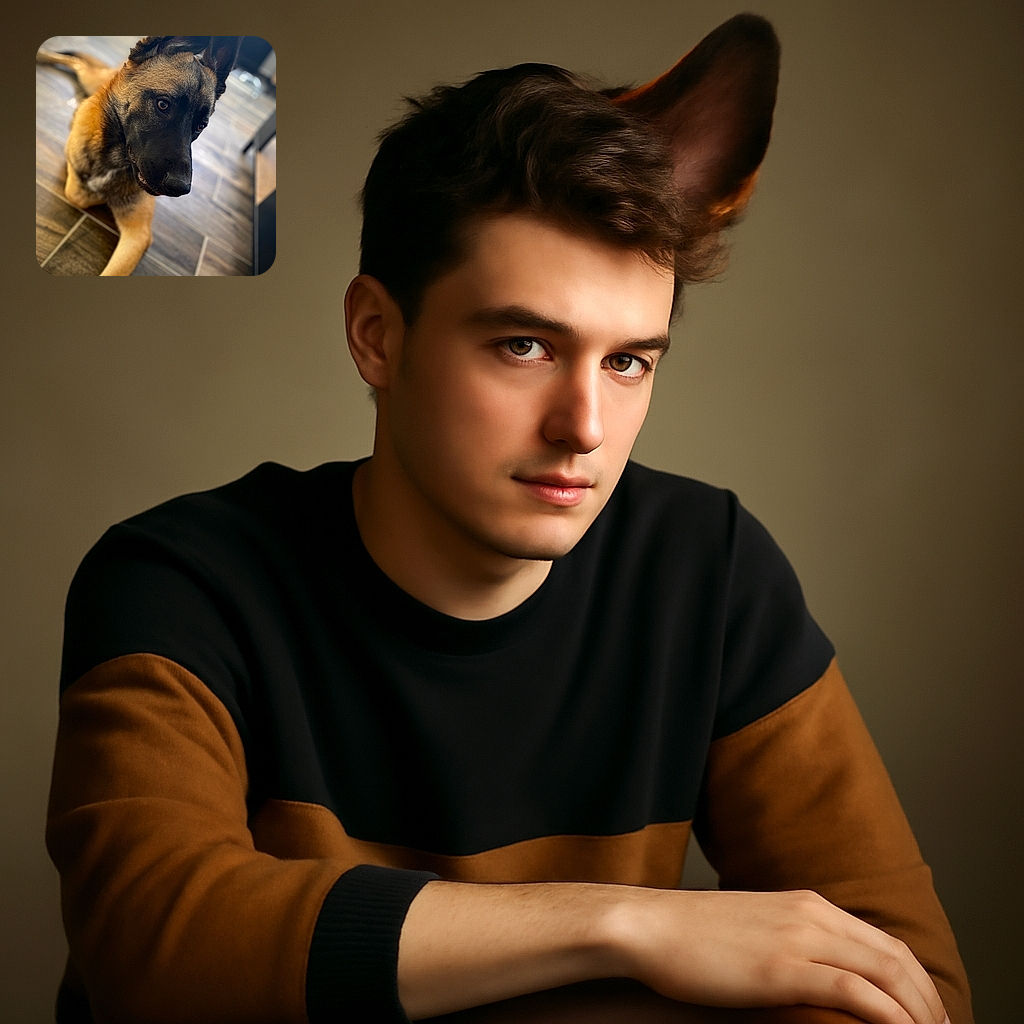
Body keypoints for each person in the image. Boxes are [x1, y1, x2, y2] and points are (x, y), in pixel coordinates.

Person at [46, 14, 972, 1024]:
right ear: (376, 335)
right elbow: (151, 945)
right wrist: (629, 927)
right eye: (525, 346)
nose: (586, 427)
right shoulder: (179, 581)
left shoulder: (705, 567)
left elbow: (906, 983)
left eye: (629, 361)